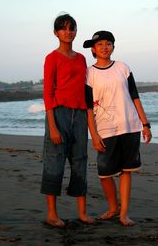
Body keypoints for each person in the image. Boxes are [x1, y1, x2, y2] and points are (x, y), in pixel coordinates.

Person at [84, 30, 152, 226]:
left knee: (126, 170)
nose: (105, 47)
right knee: (104, 173)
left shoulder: (123, 67)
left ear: (113, 46)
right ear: (94, 49)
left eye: (108, 43)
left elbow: (135, 96)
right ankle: (112, 207)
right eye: (100, 44)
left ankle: (123, 213)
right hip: (105, 129)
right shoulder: (89, 73)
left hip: (130, 126)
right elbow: (88, 107)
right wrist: (93, 134)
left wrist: (145, 124)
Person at [41, 13, 95, 228]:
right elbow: (47, 94)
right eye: (63, 28)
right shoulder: (51, 58)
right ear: (56, 33)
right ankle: (52, 214)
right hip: (59, 114)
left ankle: (82, 213)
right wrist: (53, 127)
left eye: (71, 28)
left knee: (80, 160)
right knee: (55, 161)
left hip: (80, 115)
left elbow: (87, 88)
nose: (68, 32)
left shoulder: (81, 58)